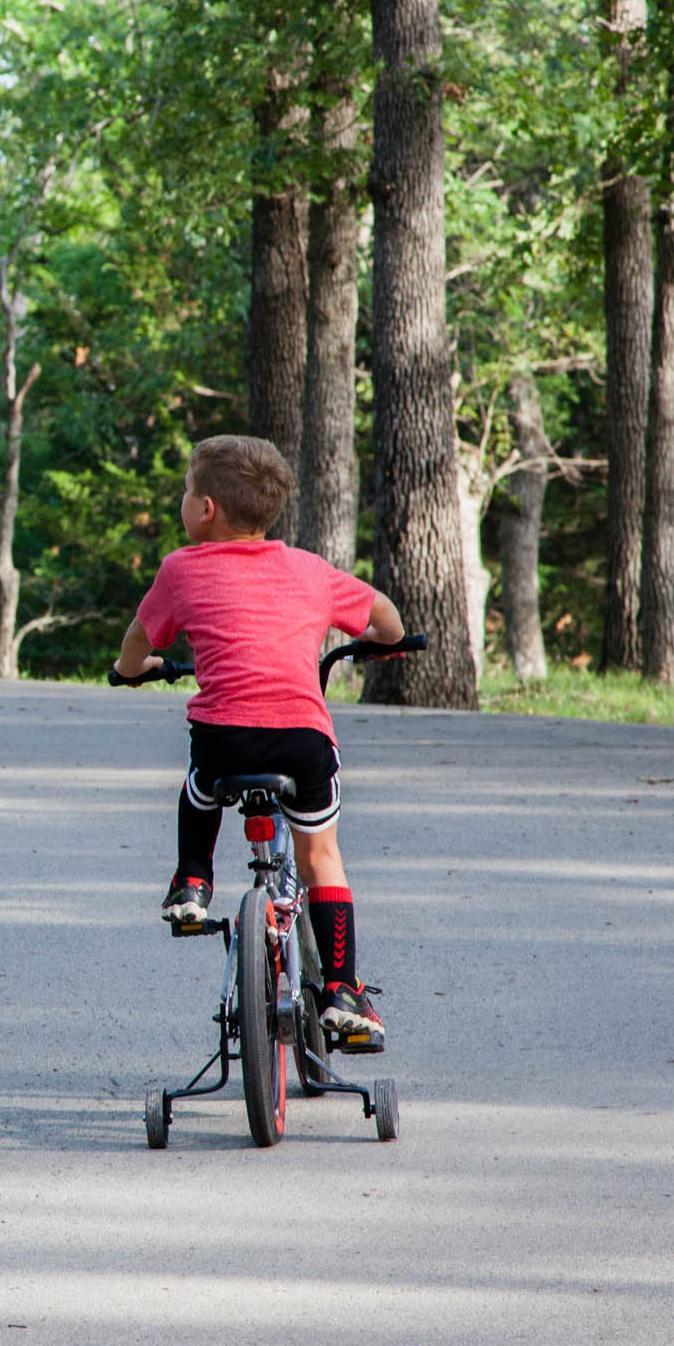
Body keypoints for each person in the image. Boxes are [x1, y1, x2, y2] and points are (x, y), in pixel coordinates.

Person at [111, 434, 405, 1050]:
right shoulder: (309, 570)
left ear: (207, 510)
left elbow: (135, 648)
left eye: (187, 492)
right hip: (301, 740)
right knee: (321, 854)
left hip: (224, 743)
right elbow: (387, 619)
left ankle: (192, 881)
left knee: (199, 787)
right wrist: (380, 642)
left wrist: (136, 670)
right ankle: (344, 992)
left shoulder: (180, 569)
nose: (184, 503)